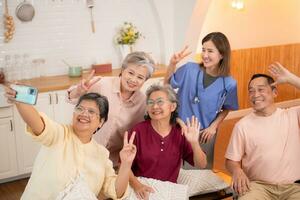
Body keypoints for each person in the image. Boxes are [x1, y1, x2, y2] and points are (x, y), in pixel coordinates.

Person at [4, 88, 137, 199]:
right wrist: (21, 102)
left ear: (101, 122)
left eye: (91, 112)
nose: (84, 114)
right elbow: (38, 124)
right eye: (80, 109)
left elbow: (116, 191)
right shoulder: (59, 134)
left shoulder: (101, 154)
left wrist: (126, 164)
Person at [225, 62, 300, 199]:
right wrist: (237, 170)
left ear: (275, 92)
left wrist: (291, 79)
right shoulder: (242, 125)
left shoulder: (292, 115)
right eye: (251, 91)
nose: (255, 94)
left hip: (293, 188)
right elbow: (231, 160)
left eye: (261, 89)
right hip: (258, 187)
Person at [67, 51, 155, 166]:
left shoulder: (143, 102)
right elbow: (70, 97)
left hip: (113, 161)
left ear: (145, 80)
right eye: (131, 73)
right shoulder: (102, 84)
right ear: (123, 70)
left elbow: (152, 124)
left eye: (140, 77)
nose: (133, 80)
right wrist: (79, 90)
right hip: (84, 152)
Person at [128, 84, 207, 200]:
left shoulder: (181, 132)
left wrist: (194, 143)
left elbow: (202, 164)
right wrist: (137, 185)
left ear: (172, 106)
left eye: (160, 102)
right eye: (150, 102)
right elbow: (123, 166)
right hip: (142, 188)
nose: (154, 106)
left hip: (168, 190)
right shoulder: (138, 131)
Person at [164, 32, 239, 145]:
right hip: (177, 128)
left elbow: (227, 108)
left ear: (222, 55)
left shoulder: (229, 83)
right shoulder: (189, 69)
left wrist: (213, 127)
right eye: (203, 50)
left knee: (201, 162)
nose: (205, 55)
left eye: (210, 51)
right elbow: (167, 85)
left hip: (204, 134)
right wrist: (172, 64)